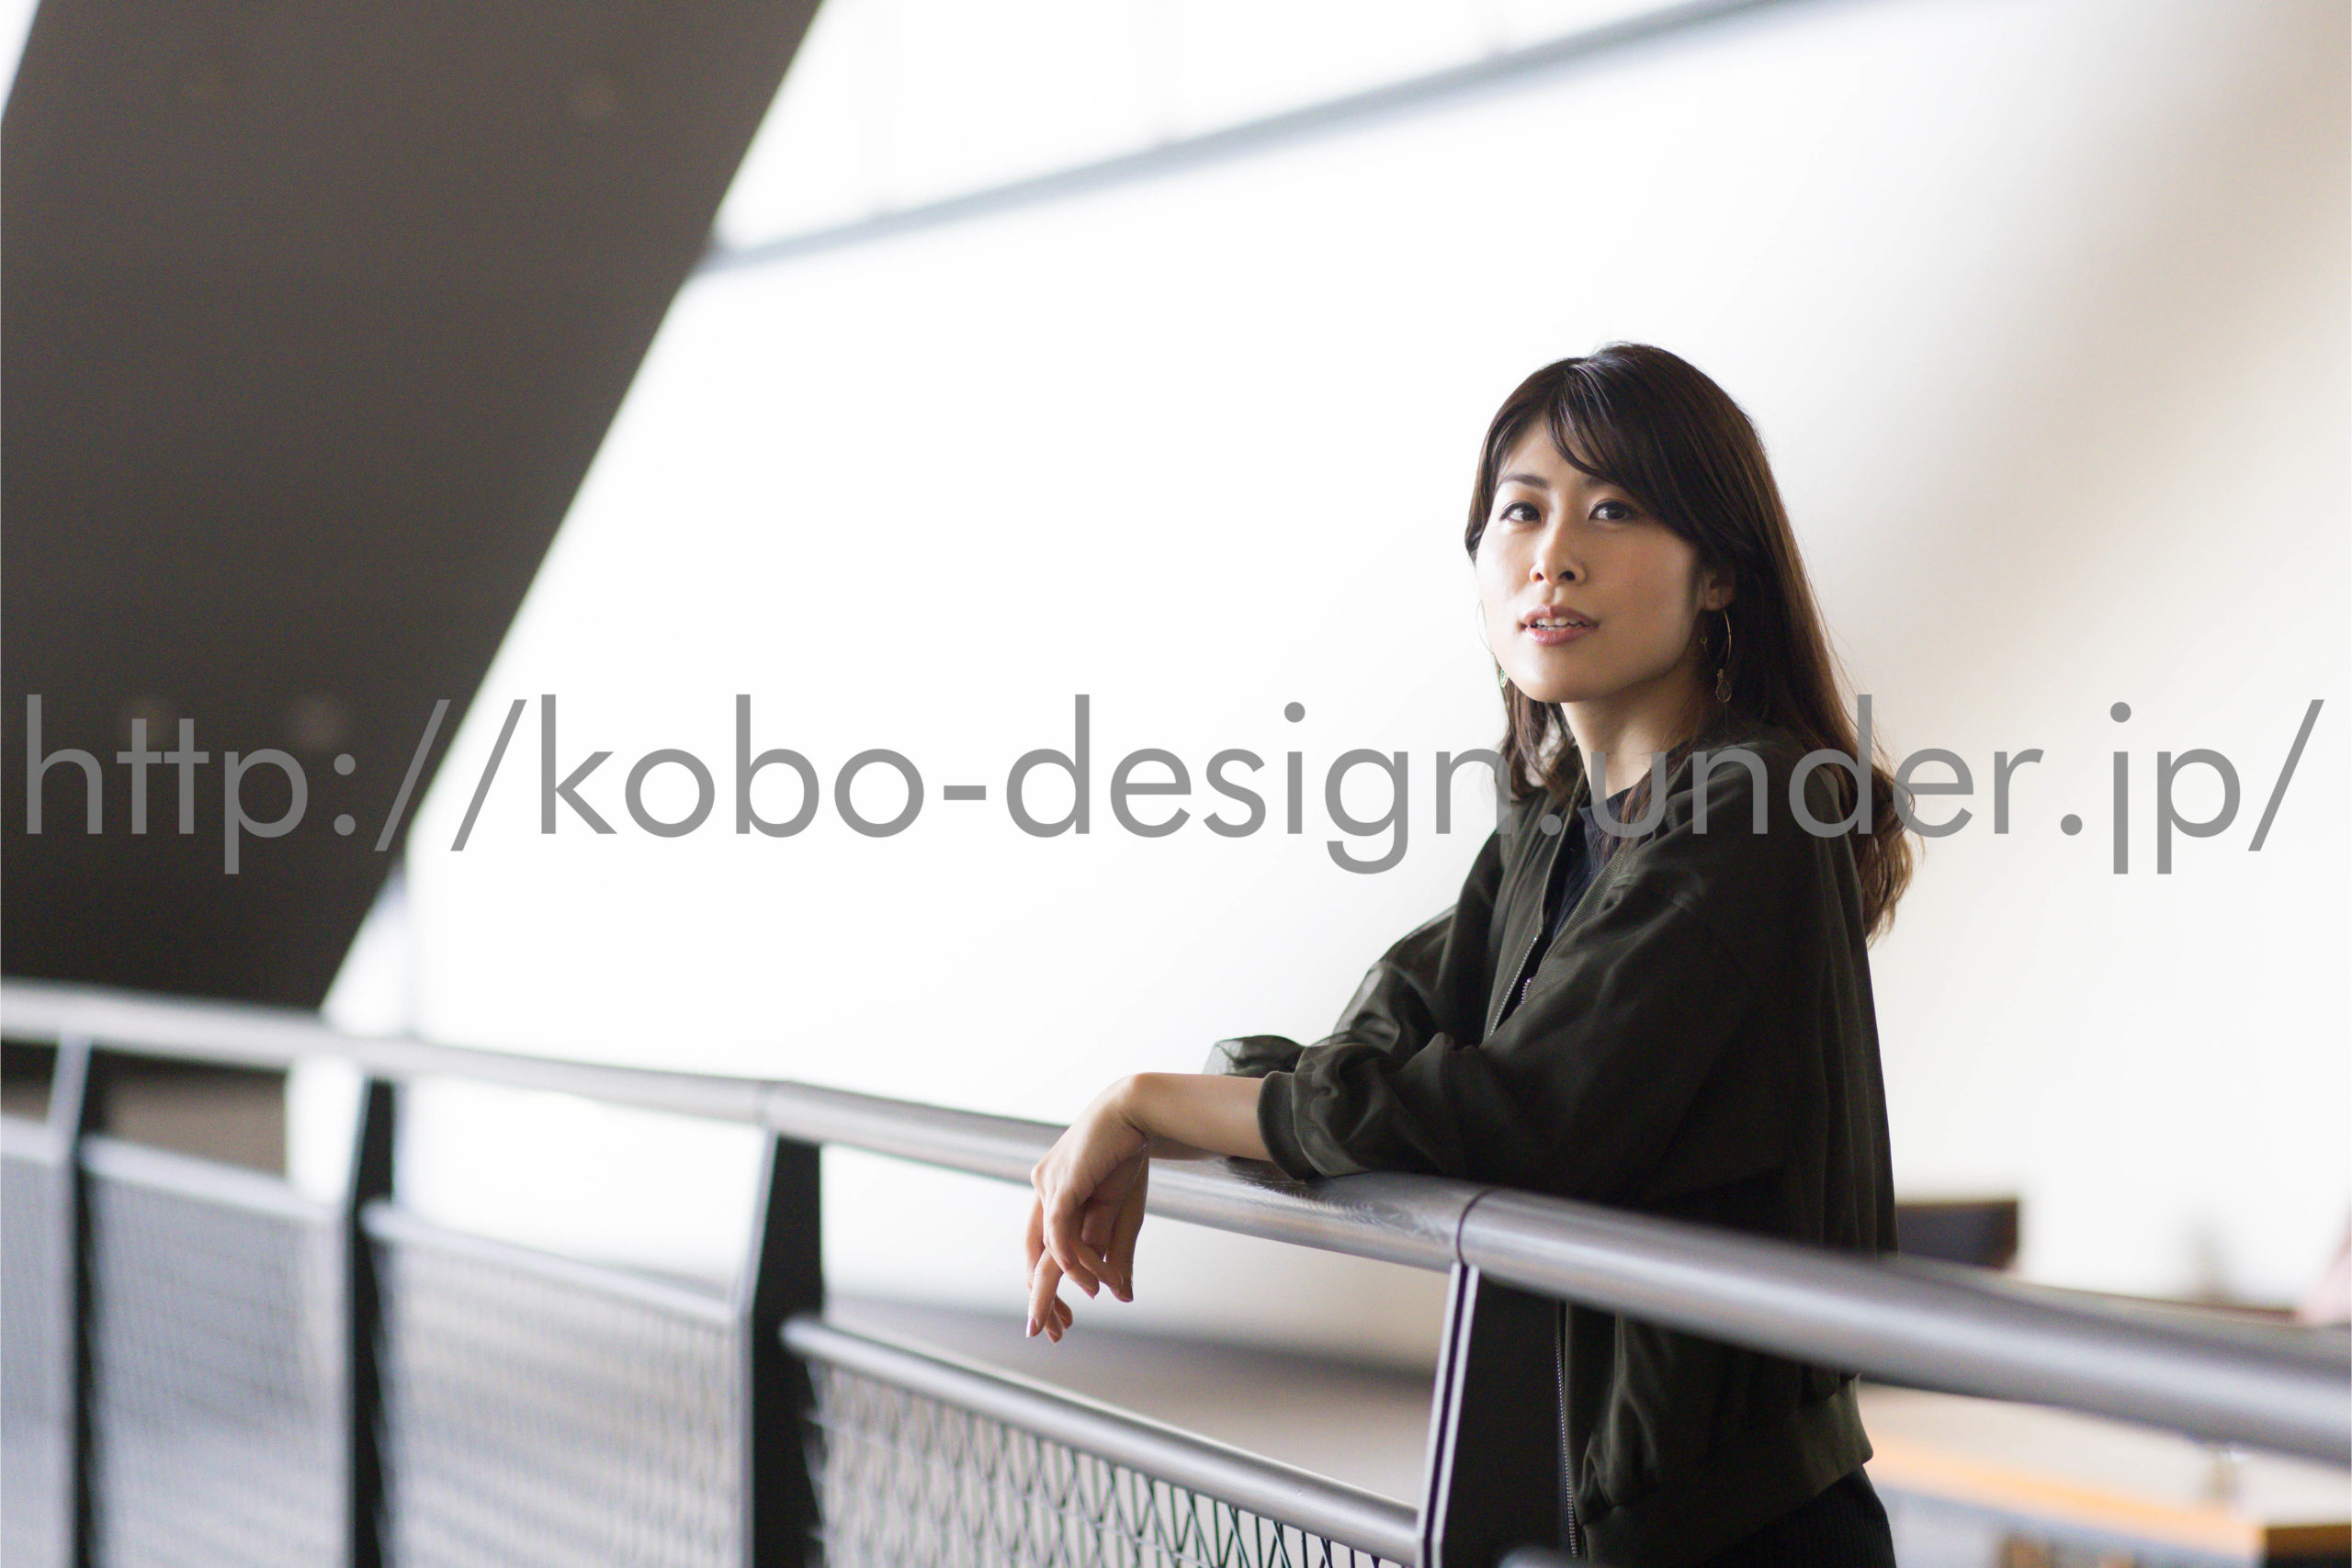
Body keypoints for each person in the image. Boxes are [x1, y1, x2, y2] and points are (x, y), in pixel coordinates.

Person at [1021, 343, 1916, 1566]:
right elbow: (1373, 1055)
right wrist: (1169, 1119)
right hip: (1588, 1511)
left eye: (1615, 509)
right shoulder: (1552, 831)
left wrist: (1148, 1104)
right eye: (1521, 512)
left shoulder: (1754, 805)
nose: (1554, 556)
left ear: (1719, 573)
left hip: (1743, 1535)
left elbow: (1519, 1116)